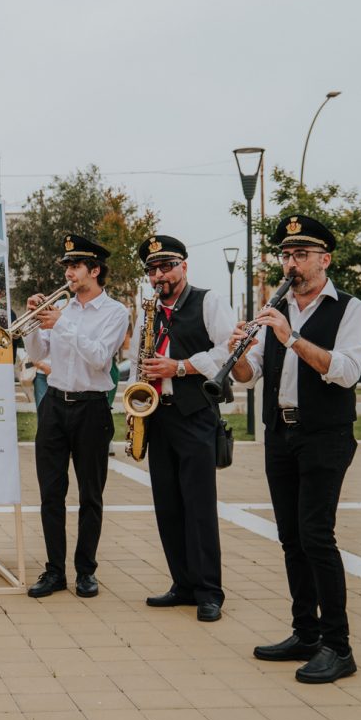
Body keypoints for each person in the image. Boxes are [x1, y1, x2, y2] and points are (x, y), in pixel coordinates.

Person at [229, 214, 361, 684]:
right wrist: (236, 357)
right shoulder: (274, 309)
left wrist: (290, 337)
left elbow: (345, 371)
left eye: (301, 255)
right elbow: (249, 375)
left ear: (324, 260)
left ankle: (339, 646)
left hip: (325, 435)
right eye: (286, 255)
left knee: (316, 535)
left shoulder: (349, 308)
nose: (291, 263)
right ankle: (306, 632)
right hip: (280, 433)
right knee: (290, 536)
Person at [23, 234, 129, 599]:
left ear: (95, 270)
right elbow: (39, 352)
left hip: (91, 407)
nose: (68, 272)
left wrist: (61, 324)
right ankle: (54, 571)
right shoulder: (61, 311)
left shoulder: (116, 312)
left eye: (75, 266)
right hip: (53, 403)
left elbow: (100, 357)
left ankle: (86, 570)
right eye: (67, 266)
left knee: (90, 494)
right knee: (51, 493)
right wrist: (36, 323)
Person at [136, 234, 233, 622]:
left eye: (166, 266)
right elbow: (139, 357)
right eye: (152, 269)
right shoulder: (147, 312)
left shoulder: (208, 301)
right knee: (168, 505)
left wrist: (179, 366)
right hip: (158, 414)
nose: (159, 274)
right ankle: (183, 584)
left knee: (199, 507)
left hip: (194, 414)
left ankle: (210, 591)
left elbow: (228, 350)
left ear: (184, 267)